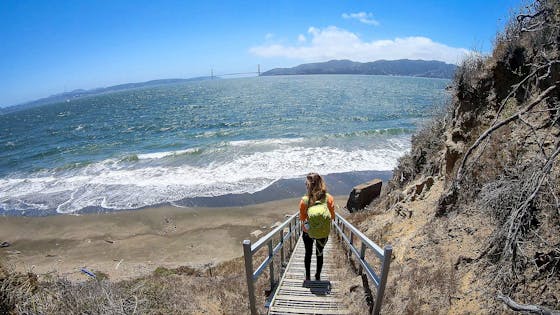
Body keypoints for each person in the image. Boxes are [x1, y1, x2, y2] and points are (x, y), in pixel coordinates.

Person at [299, 172, 335, 281]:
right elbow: (332, 216)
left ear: (308, 185)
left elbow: (302, 218)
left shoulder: (304, 200)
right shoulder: (329, 198)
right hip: (323, 231)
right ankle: (318, 276)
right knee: (320, 254)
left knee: (308, 253)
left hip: (308, 231)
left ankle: (307, 277)